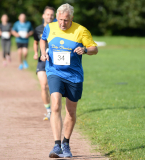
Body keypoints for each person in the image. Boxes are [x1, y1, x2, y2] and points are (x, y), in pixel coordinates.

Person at [40, 3, 98, 158]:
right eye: (60, 20)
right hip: (54, 71)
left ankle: (66, 143)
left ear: (71, 18)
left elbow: (94, 49)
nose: (62, 23)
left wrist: (85, 50)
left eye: (65, 20)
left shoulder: (81, 30)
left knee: (71, 112)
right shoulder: (50, 28)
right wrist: (42, 53)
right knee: (56, 104)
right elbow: (42, 39)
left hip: (74, 76)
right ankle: (56, 145)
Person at [33, 6, 55, 121]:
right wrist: (36, 53)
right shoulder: (38, 29)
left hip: (55, 61)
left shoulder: (58, 29)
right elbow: (35, 42)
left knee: (55, 88)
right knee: (44, 86)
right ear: (43, 16)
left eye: (51, 15)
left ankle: (56, 109)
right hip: (42, 61)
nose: (50, 16)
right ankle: (49, 110)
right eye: (47, 14)